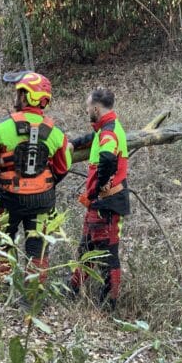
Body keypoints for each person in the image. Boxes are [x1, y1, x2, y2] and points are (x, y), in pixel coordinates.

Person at [0, 72, 71, 287]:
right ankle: (32, 295)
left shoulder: (1, 128)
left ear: (27, 96)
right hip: (42, 201)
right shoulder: (57, 134)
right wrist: (45, 188)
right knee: (38, 249)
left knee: (0, 244)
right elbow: (62, 168)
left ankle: (1, 292)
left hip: (8, 198)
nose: (17, 96)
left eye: (19, 92)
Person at [68, 87, 129, 310]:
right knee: (86, 250)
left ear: (95, 107)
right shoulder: (105, 129)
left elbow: (106, 159)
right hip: (99, 204)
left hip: (106, 204)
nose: (86, 110)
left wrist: (97, 190)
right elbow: (93, 138)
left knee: (107, 257)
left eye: (87, 106)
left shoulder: (109, 132)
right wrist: (74, 142)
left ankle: (108, 306)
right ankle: (72, 294)